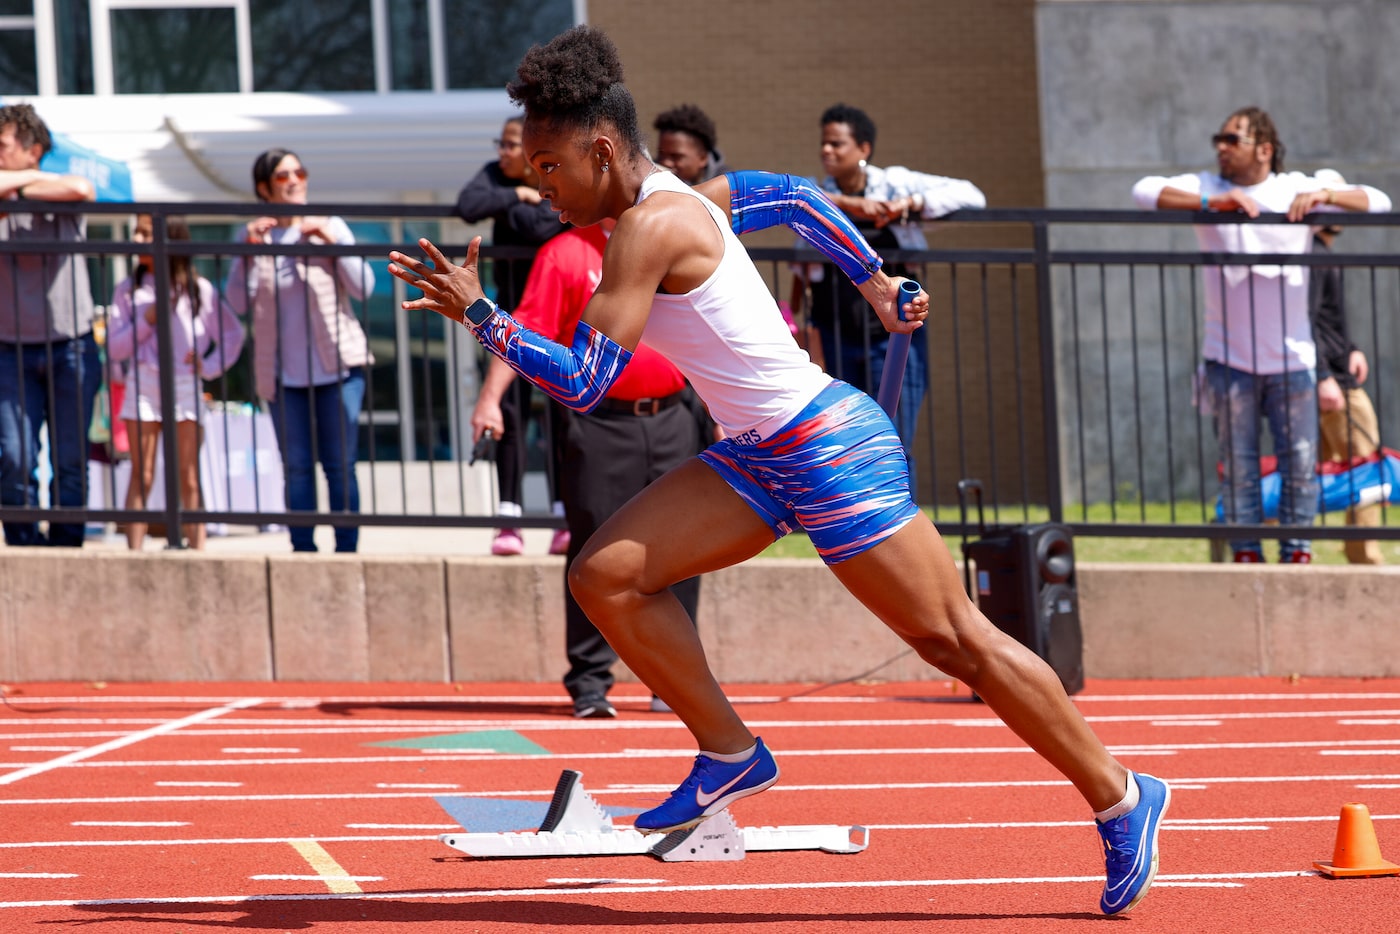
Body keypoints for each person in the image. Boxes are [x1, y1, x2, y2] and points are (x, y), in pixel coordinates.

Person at [390, 25, 1169, 916]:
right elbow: (796, 199)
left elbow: (587, 378)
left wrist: (482, 313)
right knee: (607, 576)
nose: (538, 182)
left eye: (548, 165)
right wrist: (874, 277)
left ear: (601, 149)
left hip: (827, 446)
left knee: (955, 639)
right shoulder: (687, 193)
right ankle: (730, 753)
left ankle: (1120, 794)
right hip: (758, 455)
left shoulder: (650, 226)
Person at [1132, 107, 1391, 563]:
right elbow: (1143, 191)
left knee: (1300, 468)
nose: (1221, 148)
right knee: (1239, 469)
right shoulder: (1208, 187)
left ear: (1264, 149)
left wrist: (1323, 195)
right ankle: (1245, 552)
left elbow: (1379, 201)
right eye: (1219, 139)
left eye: (1232, 139)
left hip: (1293, 360)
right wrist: (1214, 206)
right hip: (1228, 359)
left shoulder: (1292, 188)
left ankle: (1297, 554)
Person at [471, 220, 705, 719]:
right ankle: (590, 682)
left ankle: (674, 679)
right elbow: (523, 331)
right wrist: (490, 399)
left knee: (683, 547)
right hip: (600, 422)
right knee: (594, 547)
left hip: (673, 415)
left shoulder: (672, 238)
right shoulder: (563, 254)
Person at [790, 103, 985, 457]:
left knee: (894, 443)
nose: (826, 150)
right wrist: (849, 204)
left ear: (863, 150)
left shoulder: (892, 183)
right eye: (824, 143)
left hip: (894, 338)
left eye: (837, 143)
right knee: (844, 442)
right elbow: (796, 222)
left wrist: (909, 204)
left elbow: (973, 196)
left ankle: (897, 513)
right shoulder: (817, 193)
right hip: (835, 334)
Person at [224, 148, 374, 553]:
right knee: (297, 470)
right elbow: (235, 303)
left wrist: (330, 243)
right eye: (282, 176)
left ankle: (346, 551)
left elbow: (364, 287)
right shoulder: (254, 235)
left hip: (339, 369)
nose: (294, 180)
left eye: (299, 172)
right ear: (264, 188)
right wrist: (247, 254)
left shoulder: (329, 224)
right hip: (282, 375)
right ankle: (302, 551)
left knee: (340, 467)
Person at [455, 115, 569, 557]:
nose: (502, 153)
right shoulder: (497, 177)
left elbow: (541, 227)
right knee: (510, 415)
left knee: (561, 417)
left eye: (510, 147)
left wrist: (511, 204)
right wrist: (515, 194)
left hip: (556, 319)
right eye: (500, 144)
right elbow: (467, 204)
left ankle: (562, 515)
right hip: (509, 317)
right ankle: (509, 519)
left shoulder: (555, 178)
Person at [106, 215, 245, 550]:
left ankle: (197, 552)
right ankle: (133, 556)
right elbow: (115, 346)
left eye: (146, 232)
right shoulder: (128, 290)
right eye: (137, 232)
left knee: (189, 475)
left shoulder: (198, 289)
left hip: (184, 384)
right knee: (143, 473)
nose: (137, 239)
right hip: (143, 384)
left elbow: (232, 334)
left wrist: (207, 365)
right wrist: (148, 318)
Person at [0, 102, 101, 548]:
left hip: (71, 346)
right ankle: (23, 547)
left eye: (1, 146)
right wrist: (23, 184)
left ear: (32, 149)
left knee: (71, 459)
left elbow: (84, 188)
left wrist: (20, 188)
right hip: (9, 349)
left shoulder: (61, 189)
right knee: (15, 457)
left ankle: (67, 549)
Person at [1309, 170, 1383, 565]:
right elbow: (1305, 320)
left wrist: (1352, 348)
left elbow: (1325, 319)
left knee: (1304, 471)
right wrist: (1324, 376)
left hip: (1333, 373)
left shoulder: (1320, 253)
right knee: (1366, 465)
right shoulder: (1314, 255)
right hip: (1332, 382)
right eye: (1329, 202)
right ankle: (1364, 555)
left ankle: (1266, 542)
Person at [653, 104, 731, 186]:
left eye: (676, 157)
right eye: (661, 154)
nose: (665, 163)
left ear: (703, 158)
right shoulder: (650, 178)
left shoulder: (726, 186)